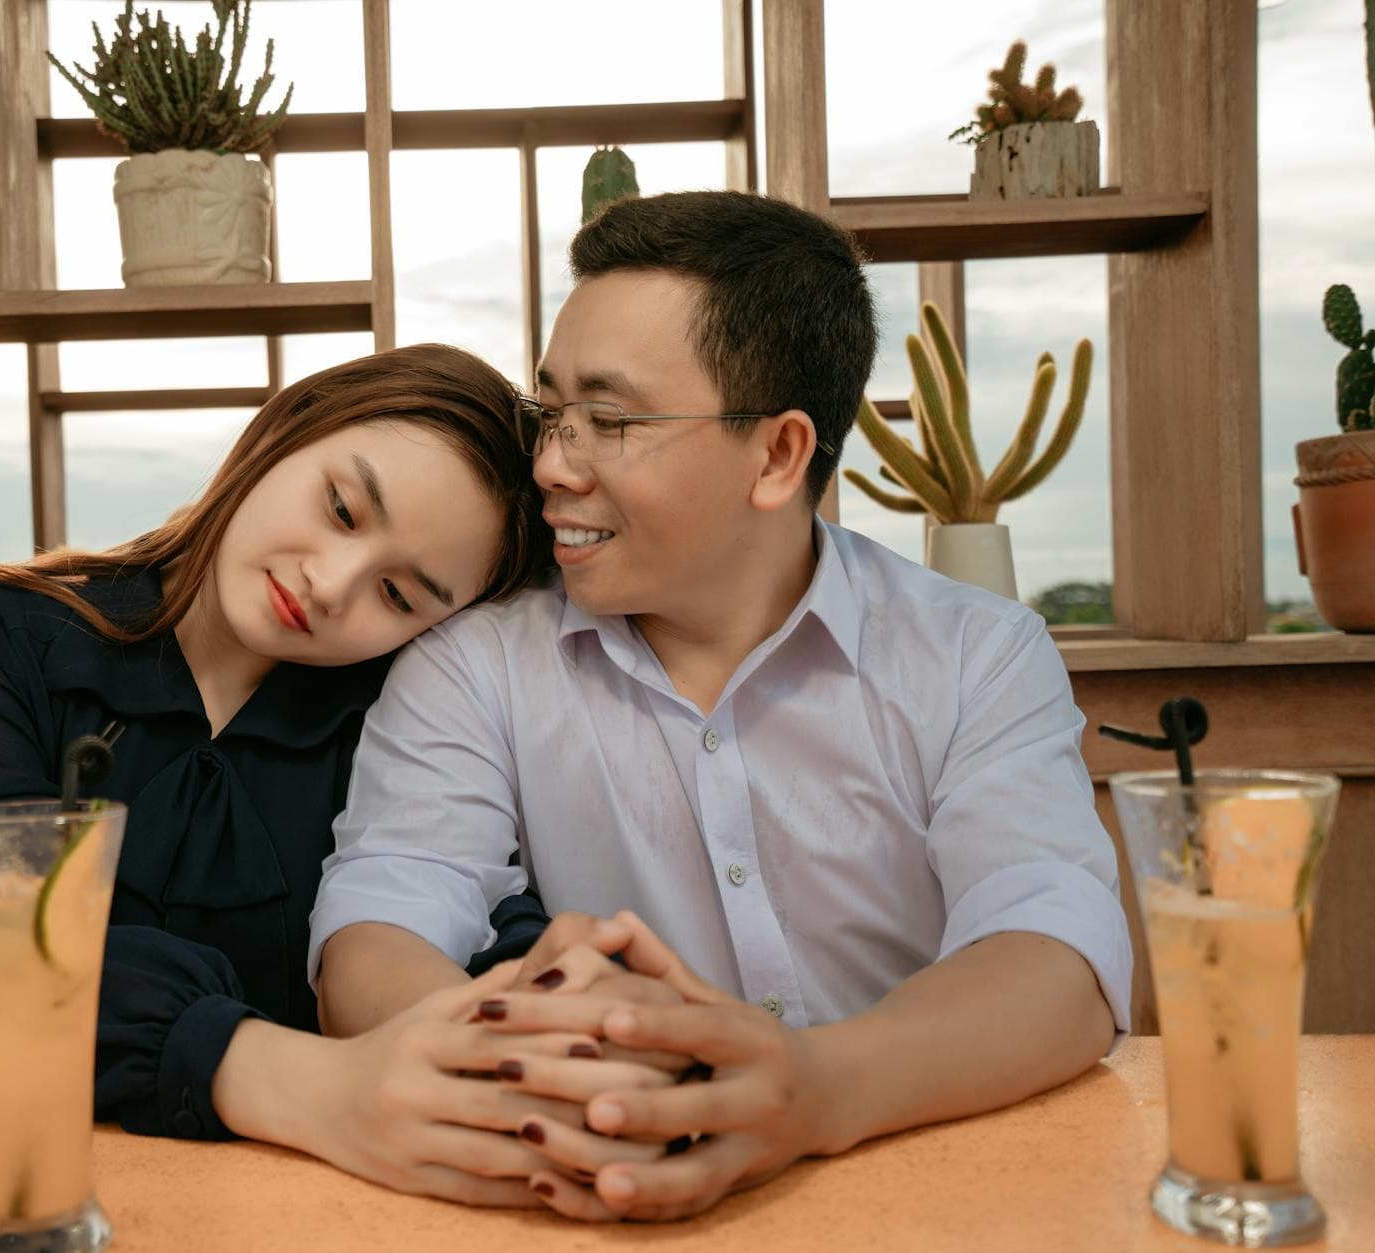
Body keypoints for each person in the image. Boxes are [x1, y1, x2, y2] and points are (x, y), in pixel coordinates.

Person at [310, 191, 1135, 1221]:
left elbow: (1055, 956)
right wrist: (545, 1073)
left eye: (606, 421)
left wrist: (814, 1086)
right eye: (550, 410)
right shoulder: (473, 665)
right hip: (600, 1194)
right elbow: (374, 926)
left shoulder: (975, 653)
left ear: (779, 454)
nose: (550, 464)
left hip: (937, 1193)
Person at [0, 344, 663, 1205]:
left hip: (314, 1204)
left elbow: (466, 905)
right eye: (341, 507)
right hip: (34, 1189)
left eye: (401, 595)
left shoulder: (403, 713)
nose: (331, 585)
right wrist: (311, 1086)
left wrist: (544, 1007)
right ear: (288, 428)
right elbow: (3, 958)